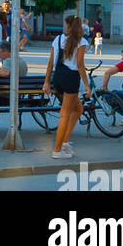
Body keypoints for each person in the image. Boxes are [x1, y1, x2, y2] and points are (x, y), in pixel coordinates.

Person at [44, 15, 90, 160]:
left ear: (67, 26)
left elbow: (50, 63)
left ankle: (64, 142)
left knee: (78, 109)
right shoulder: (82, 42)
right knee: (65, 114)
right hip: (71, 78)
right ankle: (57, 150)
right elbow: (80, 65)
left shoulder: (57, 39)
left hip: (58, 77)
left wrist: (46, 82)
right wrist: (88, 87)